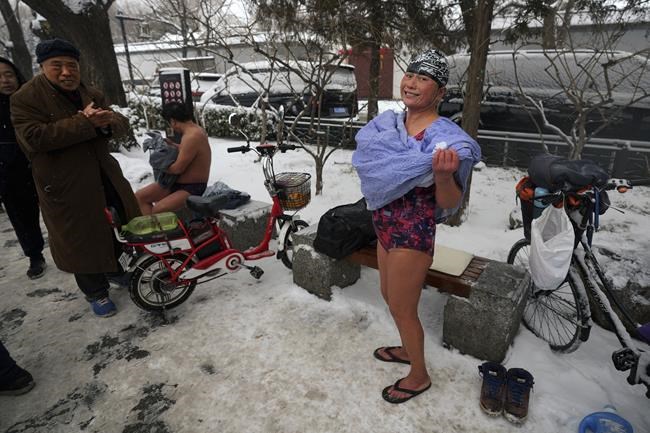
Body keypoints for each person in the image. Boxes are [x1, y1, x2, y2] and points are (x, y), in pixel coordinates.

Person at [352, 49, 481, 404]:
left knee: (402, 308)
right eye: (410, 74)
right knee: (388, 297)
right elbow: (370, 164)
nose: (411, 82)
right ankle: (410, 350)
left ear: (439, 93)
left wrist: (441, 175)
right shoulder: (390, 124)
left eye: (424, 79)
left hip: (413, 233)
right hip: (384, 227)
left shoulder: (446, 141)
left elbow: (448, 202)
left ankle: (419, 374)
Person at [10, 38, 141, 317]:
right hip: (64, 184)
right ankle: (95, 291)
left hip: (103, 174)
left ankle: (117, 270)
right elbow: (34, 138)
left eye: (72, 65)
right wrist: (84, 123)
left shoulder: (89, 92)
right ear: (42, 66)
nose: (66, 72)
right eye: (57, 66)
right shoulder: (25, 98)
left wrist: (109, 122)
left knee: (117, 222)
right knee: (80, 237)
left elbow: (119, 123)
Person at [0, 57, 47, 279]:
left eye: (8, 74)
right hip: (9, 171)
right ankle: (34, 255)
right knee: (21, 216)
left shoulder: (33, 100)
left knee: (58, 211)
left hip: (42, 164)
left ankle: (69, 252)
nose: (5, 80)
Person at [135, 102, 211, 214]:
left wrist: (159, 165)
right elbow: (188, 151)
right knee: (140, 197)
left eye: (170, 123)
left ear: (173, 121)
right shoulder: (193, 131)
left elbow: (177, 169)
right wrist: (173, 145)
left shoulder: (192, 136)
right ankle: (152, 228)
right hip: (174, 183)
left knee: (158, 210)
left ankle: (158, 228)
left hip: (191, 188)